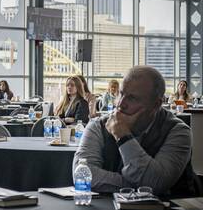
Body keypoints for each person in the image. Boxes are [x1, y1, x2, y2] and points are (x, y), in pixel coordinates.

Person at [73, 66, 200, 196]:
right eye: (121, 94)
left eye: (132, 98)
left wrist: (123, 136)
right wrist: (137, 187)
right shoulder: (98, 125)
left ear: (156, 105)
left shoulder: (178, 132)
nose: (121, 104)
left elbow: (156, 183)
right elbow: (83, 174)